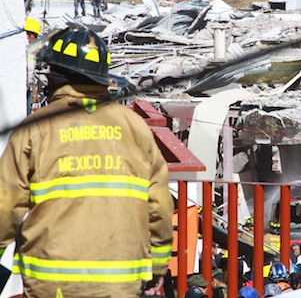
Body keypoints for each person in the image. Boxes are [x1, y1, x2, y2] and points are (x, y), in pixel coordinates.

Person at [0, 26, 174, 297]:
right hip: (120, 284)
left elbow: (6, 204)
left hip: (51, 282)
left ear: (58, 74)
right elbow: (160, 206)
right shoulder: (135, 127)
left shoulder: (34, 128)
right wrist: (159, 265)